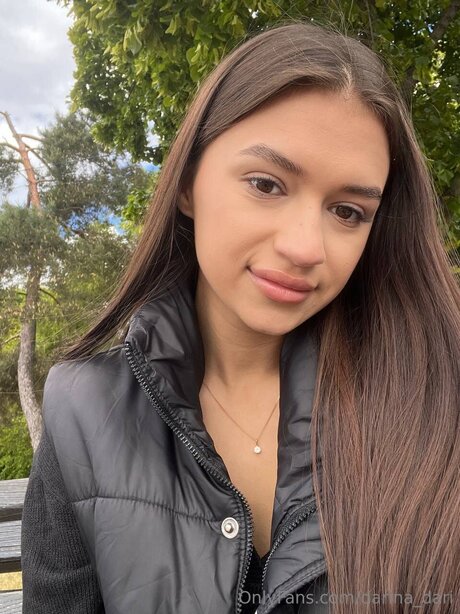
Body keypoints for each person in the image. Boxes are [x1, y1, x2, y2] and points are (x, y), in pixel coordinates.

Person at [21, 19, 460, 614]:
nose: (306, 247)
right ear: (187, 184)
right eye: (266, 184)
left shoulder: (434, 399)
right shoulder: (83, 411)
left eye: (348, 212)